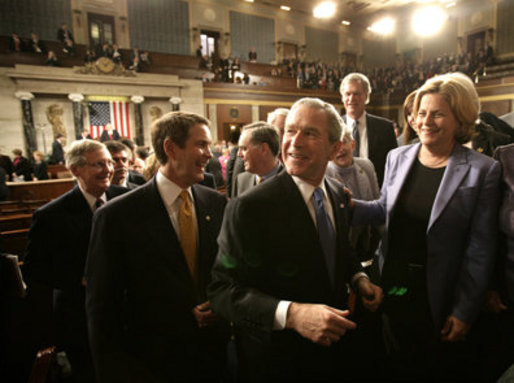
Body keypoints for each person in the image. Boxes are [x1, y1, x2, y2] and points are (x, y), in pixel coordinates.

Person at [208, 97, 382, 382]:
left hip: (334, 351)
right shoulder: (250, 207)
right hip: (278, 359)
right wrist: (292, 315)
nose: (294, 142)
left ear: (335, 147)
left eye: (310, 133)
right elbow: (222, 291)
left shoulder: (337, 194)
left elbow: (340, 251)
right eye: (290, 131)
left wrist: (358, 278)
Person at [352, 72, 501, 381]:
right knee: (393, 365)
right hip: (391, 284)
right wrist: (349, 206)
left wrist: (464, 310)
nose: (425, 121)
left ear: (460, 119)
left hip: (440, 295)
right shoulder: (397, 156)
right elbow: (384, 209)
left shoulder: (482, 170)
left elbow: (480, 247)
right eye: (421, 113)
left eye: (437, 114)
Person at [86, 112, 229, 382]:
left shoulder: (216, 204)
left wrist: (220, 307)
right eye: (201, 145)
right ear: (170, 148)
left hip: (212, 358)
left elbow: (228, 270)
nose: (209, 154)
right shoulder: (117, 216)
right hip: (150, 362)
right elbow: (102, 307)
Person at [22, 140, 128, 383]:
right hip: (78, 318)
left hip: (125, 313)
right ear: (75, 170)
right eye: (98, 164)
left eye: (109, 163)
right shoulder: (50, 216)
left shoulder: (126, 199)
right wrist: (79, 279)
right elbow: (34, 270)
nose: (108, 169)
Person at [340, 72, 397, 186]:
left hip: (376, 193)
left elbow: (394, 167)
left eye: (357, 94)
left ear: (366, 96)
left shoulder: (385, 128)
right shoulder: (333, 127)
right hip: (340, 193)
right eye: (348, 94)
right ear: (342, 97)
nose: (351, 98)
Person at [234, 122, 283, 197]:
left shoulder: (292, 181)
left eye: (244, 149)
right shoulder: (242, 180)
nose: (239, 154)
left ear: (263, 149)